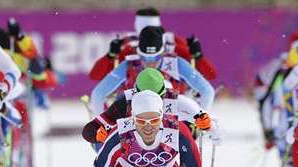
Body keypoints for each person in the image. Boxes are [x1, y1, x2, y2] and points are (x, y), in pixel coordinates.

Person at [90, 26, 215, 116]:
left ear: (162, 53)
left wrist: (201, 122)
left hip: (173, 122)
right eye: (144, 57)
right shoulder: (129, 65)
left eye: (154, 57)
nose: (149, 63)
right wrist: (100, 125)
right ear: (138, 53)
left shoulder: (176, 64)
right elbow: (98, 93)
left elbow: (207, 90)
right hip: (135, 124)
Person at [83, 68, 223, 146]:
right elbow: (90, 129)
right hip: (132, 162)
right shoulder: (125, 103)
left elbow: (217, 132)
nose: (150, 103)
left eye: (157, 98)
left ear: (165, 93)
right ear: (135, 93)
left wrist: (209, 125)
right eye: (143, 99)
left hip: (167, 160)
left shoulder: (177, 101)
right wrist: (97, 135)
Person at [89, 7, 217, 81]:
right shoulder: (127, 46)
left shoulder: (174, 43)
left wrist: (198, 56)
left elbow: (209, 75)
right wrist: (110, 55)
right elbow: (96, 76)